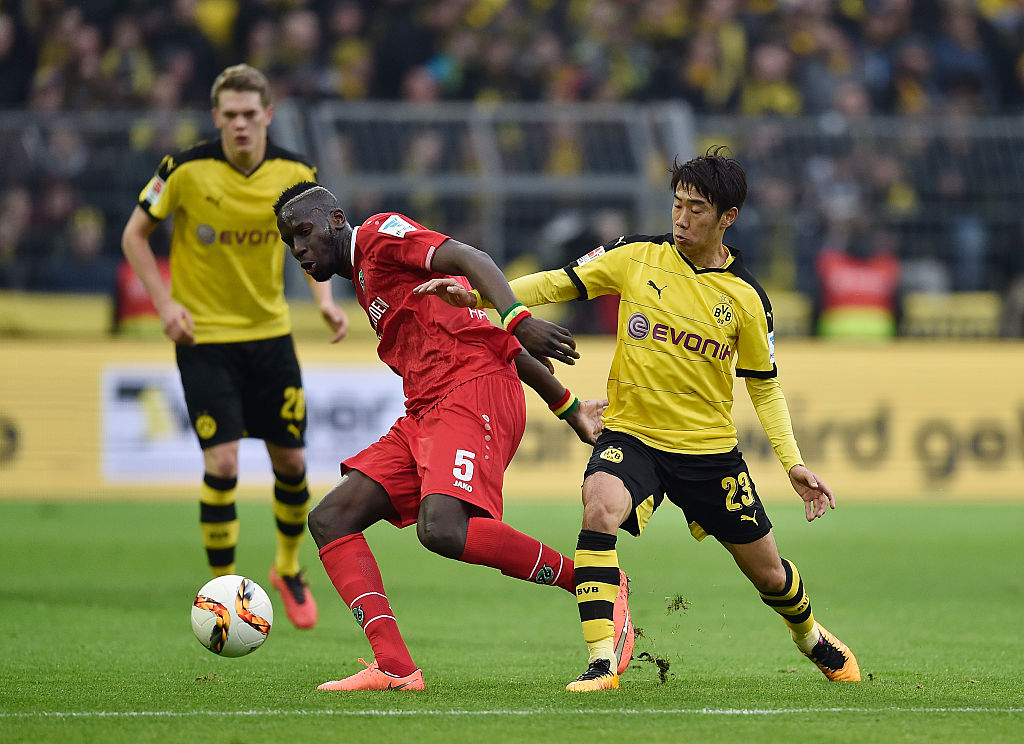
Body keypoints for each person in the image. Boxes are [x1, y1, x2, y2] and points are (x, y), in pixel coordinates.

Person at [418, 147, 861, 692]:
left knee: (768, 573)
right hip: (633, 436)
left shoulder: (747, 298)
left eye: (697, 208)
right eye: (677, 204)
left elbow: (764, 388)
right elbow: (558, 282)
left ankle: (810, 636)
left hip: (707, 452)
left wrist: (793, 464)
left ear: (728, 217)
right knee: (599, 506)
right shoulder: (636, 255)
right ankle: (601, 661)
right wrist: (477, 295)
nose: (682, 218)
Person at [273, 181, 633, 691]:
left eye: (304, 232)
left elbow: (470, 257)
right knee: (331, 519)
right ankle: (395, 668)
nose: (299, 249)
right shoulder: (366, 277)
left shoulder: (378, 235)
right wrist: (568, 406)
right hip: (425, 409)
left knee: (442, 527)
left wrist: (517, 316)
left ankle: (593, 582)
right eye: (290, 241)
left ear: (335, 220)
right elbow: (482, 331)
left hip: (471, 392)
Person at [121, 64, 349, 631]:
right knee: (221, 461)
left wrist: (324, 300)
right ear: (216, 117)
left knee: (291, 461)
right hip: (205, 339)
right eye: (231, 115)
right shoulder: (183, 170)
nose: (241, 124)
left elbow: (317, 242)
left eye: (250, 114)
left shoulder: (296, 171)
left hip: (270, 335)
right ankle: (223, 590)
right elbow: (134, 235)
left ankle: (288, 568)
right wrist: (164, 305)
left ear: (267, 114)